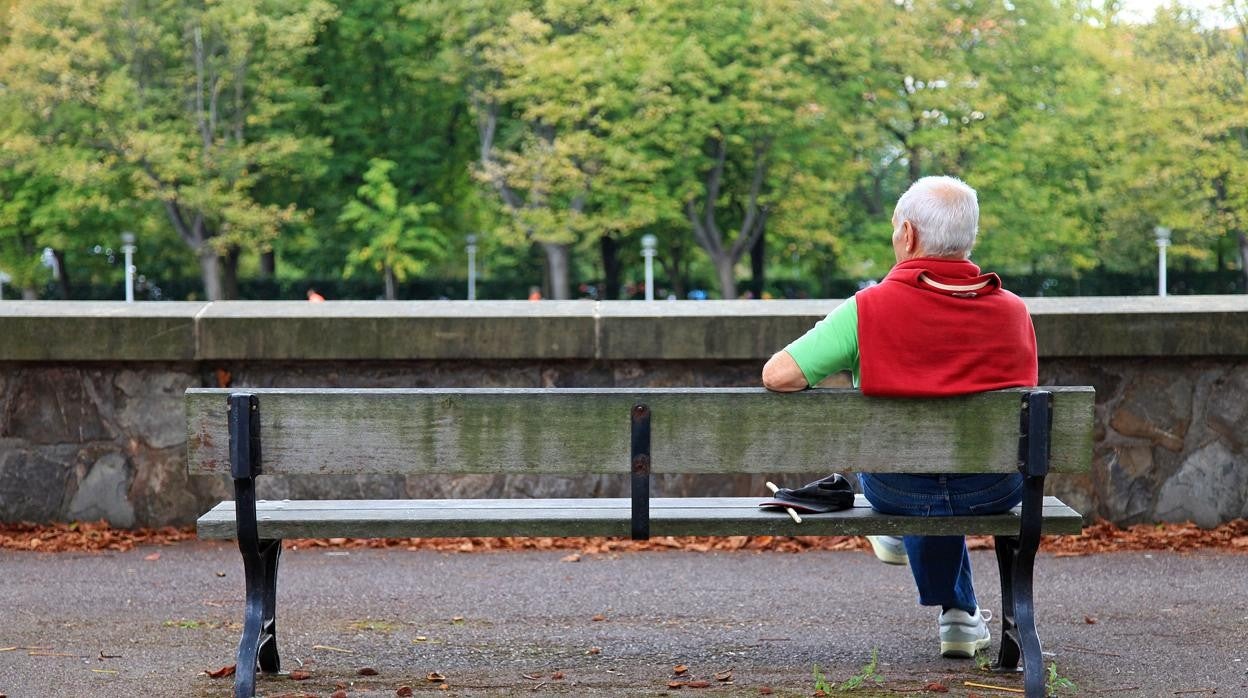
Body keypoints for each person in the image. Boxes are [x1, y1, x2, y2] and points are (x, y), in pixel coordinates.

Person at [761, 176, 1037, 659]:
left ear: (907, 235)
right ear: (968, 238)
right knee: (944, 473)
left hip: (896, 487)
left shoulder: (866, 310)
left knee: (921, 484)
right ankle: (958, 615)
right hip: (994, 488)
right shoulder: (1013, 311)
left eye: (894, 230)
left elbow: (778, 375)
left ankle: (926, 569)